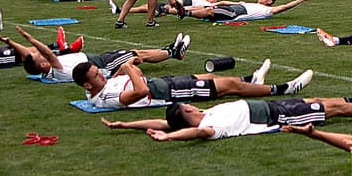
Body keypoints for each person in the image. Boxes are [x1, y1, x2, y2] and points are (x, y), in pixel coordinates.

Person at [98, 79, 352, 142]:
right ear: (187, 112)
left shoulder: (200, 117)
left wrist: (124, 126)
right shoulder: (209, 128)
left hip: (269, 107)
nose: (191, 103)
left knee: (321, 100)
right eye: (187, 106)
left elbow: (161, 121)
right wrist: (170, 139)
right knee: (332, 111)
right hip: (272, 116)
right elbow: (192, 131)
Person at [74, 58, 314, 111]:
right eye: (97, 76)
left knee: (207, 77)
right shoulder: (105, 98)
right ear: (87, 85)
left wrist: (129, 69)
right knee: (228, 86)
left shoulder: (102, 87)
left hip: (163, 83)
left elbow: (137, 73)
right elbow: (140, 91)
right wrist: (126, 68)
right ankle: (285, 89)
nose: (102, 75)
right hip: (165, 92)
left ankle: (253, 79)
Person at [0, 25, 190, 83]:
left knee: (136, 52)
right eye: (40, 58)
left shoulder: (42, 69)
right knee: (138, 54)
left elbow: (29, 58)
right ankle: (173, 52)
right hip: (101, 65)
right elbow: (47, 53)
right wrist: (29, 37)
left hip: (95, 59)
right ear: (43, 65)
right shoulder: (54, 69)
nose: (38, 54)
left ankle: (169, 49)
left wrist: (10, 42)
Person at [182, 0, 315, 22]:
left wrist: (300, 0)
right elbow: (231, 3)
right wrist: (221, 2)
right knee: (202, 8)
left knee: (209, 11)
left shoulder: (268, 10)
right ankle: (174, 10)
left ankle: (185, 13)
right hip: (234, 8)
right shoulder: (253, 3)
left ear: (270, 1)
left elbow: (285, 6)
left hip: (236, 13)